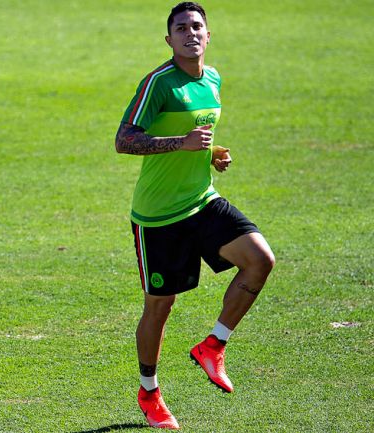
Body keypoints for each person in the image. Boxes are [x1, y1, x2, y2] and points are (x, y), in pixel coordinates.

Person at [114, 2, 275, 429]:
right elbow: (125, 140)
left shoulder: (214, 78)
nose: (190, 33)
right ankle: (149, 391)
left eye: (197, 26)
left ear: (208, 35)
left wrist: (212, 153)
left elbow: (198, 133)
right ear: (169, 40)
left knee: (260, 260)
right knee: (160, 306)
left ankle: (213, 346)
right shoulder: (158, 84)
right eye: (181, 28)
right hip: (159, 216)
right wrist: (179, 144)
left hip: (202, 200)